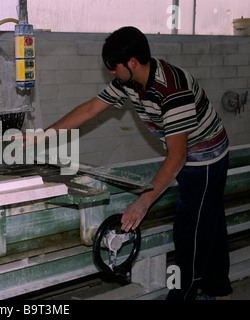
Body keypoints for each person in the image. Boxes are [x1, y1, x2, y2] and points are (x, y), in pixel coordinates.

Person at [36, 26, 232, 300]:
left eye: (112, 67)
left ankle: (183, 295)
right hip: (188, 154)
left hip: (206, 157)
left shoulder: (172, 89)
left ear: (131, 62)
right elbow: (90, 109)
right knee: (210, 221)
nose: (111, 73)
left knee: (190, 233)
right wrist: (41, 136)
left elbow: (178, 156)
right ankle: (220, 291)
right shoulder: (129, 82)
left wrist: (144, 200)